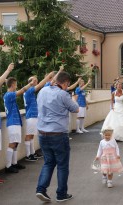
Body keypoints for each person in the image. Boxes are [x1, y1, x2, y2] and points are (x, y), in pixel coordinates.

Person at [35, 71, 79, 202]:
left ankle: (41, 189)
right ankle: (61, 194)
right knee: (62, 165)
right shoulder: (63, 94)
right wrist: (74, 99)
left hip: (42, 133)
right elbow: (75, 109)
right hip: (58, 134)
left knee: (48, 162)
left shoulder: (43, 91)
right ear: (65, 83)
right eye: (67, 84)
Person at [4, 77, 33, 173]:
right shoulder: (8, 95)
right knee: (12, 143)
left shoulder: (9, 95)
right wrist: (30, 84)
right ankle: (8, 166)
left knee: (15, 143)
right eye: (15, 84)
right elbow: (21, 91)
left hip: (15, 122)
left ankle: (14, 163)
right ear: (12, 85)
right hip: (12, 122)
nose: (16, 86)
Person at [23, 72, 54, 162]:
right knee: (29, 135)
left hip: (33, 115)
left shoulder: (30, 91)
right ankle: (28, 155)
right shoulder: (28, 90)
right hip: (31, 116)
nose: (37, 82)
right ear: (30, 82)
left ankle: (32, 153)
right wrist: (48, 76)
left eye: (36, 81)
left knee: (32, 135)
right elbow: (41, 85)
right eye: (34, 81)